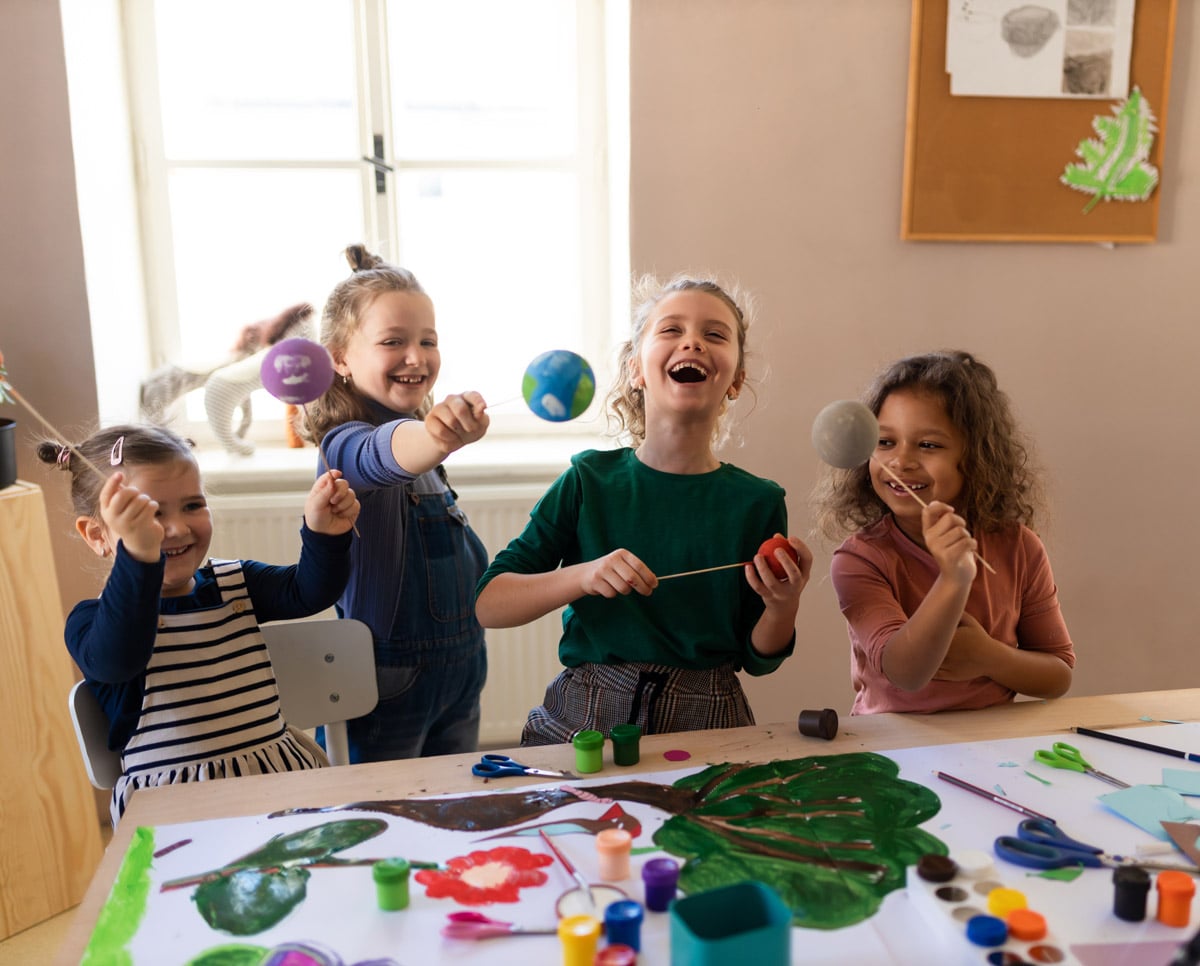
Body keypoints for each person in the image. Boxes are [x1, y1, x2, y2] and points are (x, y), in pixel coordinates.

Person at [475, 274, 813, 746]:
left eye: (714, 334)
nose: (692, 342)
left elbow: (760, 659)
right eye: (671, 330)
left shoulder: (757, 502)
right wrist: (583, 576)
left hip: (710, 719)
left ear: (735, 380)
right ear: (635, 369)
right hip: (584, 717)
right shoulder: (587, 481)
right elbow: (490, 604)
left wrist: (783, 605)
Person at [39, 423, 360, 826]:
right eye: (150, 515)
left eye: (192, 505)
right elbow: (119, 657)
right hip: (178, 812)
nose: (175, 528)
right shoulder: (91, 622)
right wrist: (139, 558)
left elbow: (307, 592)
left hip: (280, 787)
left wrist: (323, 534)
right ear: (98, 535)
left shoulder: (235, 582)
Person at [301, 245, 490, 763]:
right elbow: (384, 454)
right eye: (393, 342)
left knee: (451, 807)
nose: (417, 356)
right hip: (386, 682)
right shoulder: (343, 444)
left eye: (428, 340)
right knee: (380, 817)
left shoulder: (424, 450)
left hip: (462, 669)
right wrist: (438, 438)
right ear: (339, 358)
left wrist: (434, 443)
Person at [813, 349, 1075, 715]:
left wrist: (990, 657)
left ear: (975, 458)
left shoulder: (1019, 547)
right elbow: (904, 672)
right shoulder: (860, 559)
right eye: (885, 442)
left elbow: (1058, 675)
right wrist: (954, 579)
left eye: (929, 445)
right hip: (889, 746)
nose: (901, 462)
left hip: (990, 746)